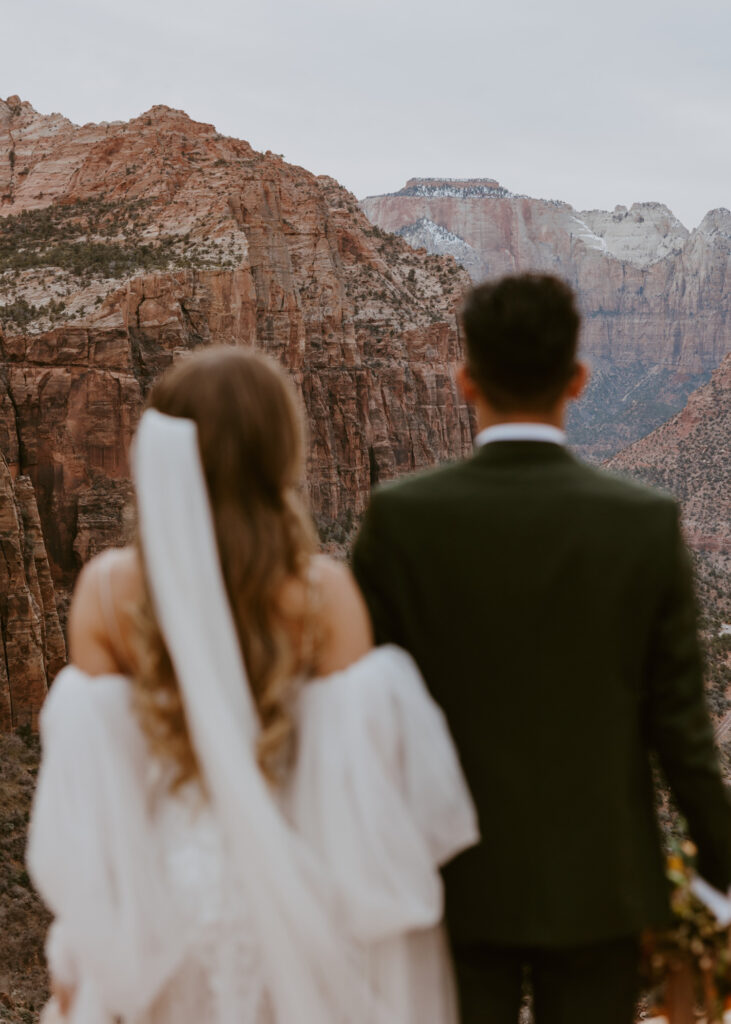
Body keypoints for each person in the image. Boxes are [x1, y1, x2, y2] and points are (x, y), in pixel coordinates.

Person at [27, 346, 478, 1024]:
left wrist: (80, 959)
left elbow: (90, 806)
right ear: (281, 453)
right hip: (300, 910)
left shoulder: (109, 593)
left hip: (163, 908)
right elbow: (362, 796)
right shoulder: (323, 594)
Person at [351, 273, 731, 1024]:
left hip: (446, 885)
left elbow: (365, 720)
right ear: (579, 380)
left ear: (464, 382)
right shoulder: (642, 523)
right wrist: (716, 878)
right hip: (600, 889)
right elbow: (682, 731)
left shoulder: (400, 521)